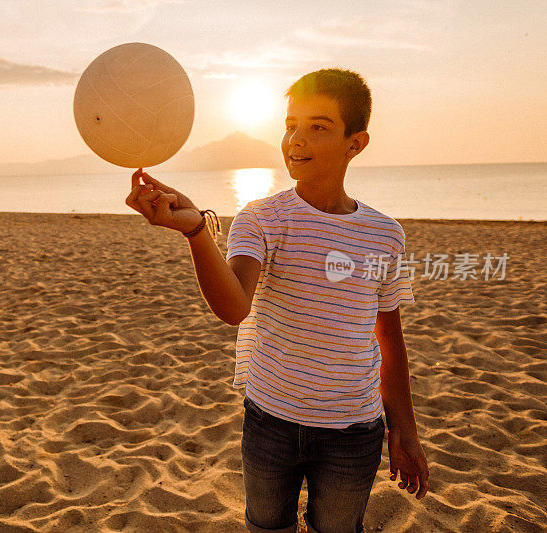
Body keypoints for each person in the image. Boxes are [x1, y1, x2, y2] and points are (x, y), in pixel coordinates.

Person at [124, 68, 429, 533]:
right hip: (271, 421)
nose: (296, 140)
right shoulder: (262, 218)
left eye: (318, 127)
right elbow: (234, 306)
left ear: (356, 143)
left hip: (354, 430)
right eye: (290, 125)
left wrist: (403, 428)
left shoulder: (385, 234)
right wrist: (195, 232)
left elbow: (388, 334)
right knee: (267, 527)